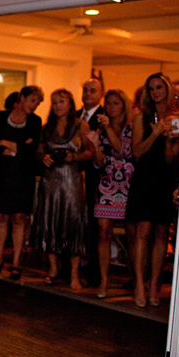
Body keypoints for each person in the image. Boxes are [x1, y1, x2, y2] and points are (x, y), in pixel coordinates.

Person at [125, 73, 179, 307]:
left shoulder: (177, 117)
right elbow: (137, 152)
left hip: (166, 177)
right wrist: (157, 132)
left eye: (159, 87)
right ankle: (139, 283)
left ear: (167, 89)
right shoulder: (141, 116)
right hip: (145, 176)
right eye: (151, 88)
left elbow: (171, 157)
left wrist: (172, 138)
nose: (155, 92)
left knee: (161, 232)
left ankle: (153, 284)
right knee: (143, 231)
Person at [32, 89, 91, 291]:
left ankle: (74, 275)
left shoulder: (80, 125)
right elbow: (38, 152)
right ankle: (53, 269)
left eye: (62, 101)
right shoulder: (46, 128)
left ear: (70, 104)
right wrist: (43, 158)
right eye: (55, 102)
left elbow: (91, 152)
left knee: (73, 224)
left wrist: (74, 157)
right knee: (49, 222)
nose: (58, 105)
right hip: (51, 181)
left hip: (72, 180)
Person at [0, 86, 43, 279]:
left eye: (37, 103)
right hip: (2, 174)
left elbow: (31, 150)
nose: (35, 106)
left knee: (19, 217)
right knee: (0, 216)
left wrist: (6, 144)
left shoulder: (35, 121)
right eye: (32, 101)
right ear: (22, 98)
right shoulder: (1, 117)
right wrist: (18, 147)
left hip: (23, 175)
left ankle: (16, 261)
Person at [86, 89, 136, 298]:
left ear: (124, 105)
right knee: (103, 232)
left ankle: (137, 278)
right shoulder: (101, 129)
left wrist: (108, 130)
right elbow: (99, 162)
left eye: (116, 103)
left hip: (129, 184)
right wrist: (95, 145)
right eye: (109, 103)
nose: (112, 107)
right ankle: (104, 280)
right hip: (106, 183)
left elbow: (125, 151)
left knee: (133, 235)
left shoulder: (131, 127)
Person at [78, 78, 105, 287]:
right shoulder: (74, 115)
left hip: (97, 178)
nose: (88, 94)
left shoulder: (105, 117)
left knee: (95, 226)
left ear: (100, 93)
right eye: (85, 90)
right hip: (73, 177)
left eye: (92, 90)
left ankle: (94, 271)